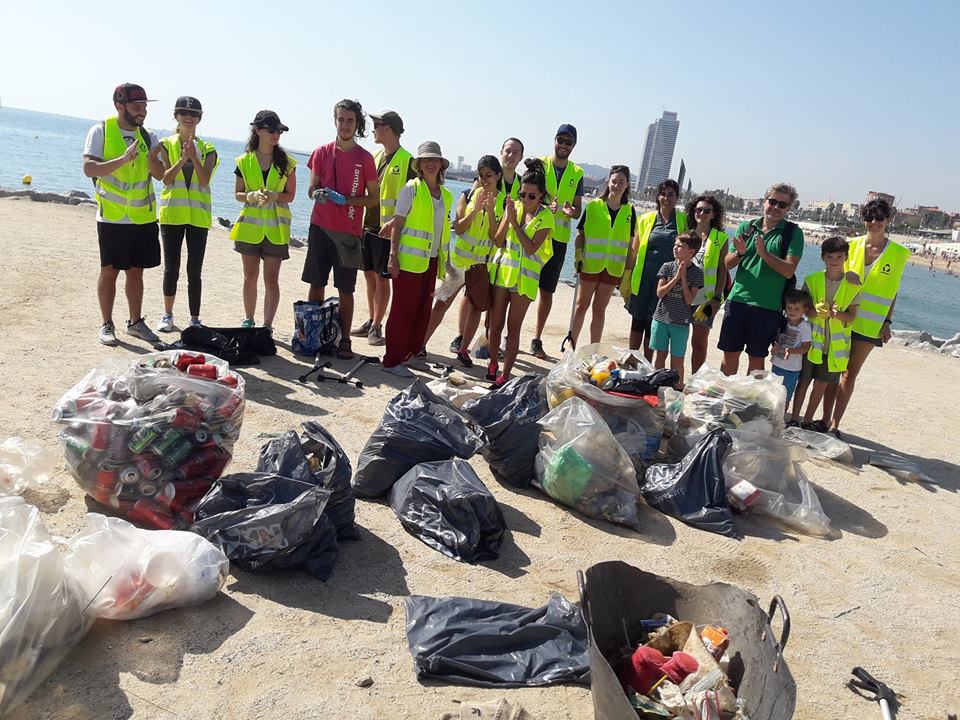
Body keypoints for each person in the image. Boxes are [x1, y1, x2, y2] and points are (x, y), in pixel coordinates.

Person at [82, 83, 165, 346]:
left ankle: (136, 323)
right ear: (119, 105)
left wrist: (152, 159)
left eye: (144, 107)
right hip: (112, 217)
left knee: (136, 273)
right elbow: (89, 168)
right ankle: (107, 324)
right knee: (109, 272)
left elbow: (160, 175)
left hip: (142, 217)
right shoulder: (101, 130)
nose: (142, 111)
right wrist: (122, 160)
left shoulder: (149, 136)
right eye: (136, 106)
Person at [823, 199, 909, 437]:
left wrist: (887, 322)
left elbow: (893, 291)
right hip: (842, 318)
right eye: (869, 217)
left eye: (879, 217)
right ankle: (823, 419)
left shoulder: (898, 254)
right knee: (833, 370)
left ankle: (835, 425)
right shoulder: (850, 246)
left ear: (888, 220)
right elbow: (833, 274)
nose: (874, 222)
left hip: (870, 325)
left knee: (850, 373)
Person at [303, 99, 379, 360]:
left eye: (350, 120)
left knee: (346, 289)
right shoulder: (321, 152)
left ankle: (345, 340)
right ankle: (313, 336)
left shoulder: (365, 158)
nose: (345, 125)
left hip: (348, 233)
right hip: (320, 227)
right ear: (334, 120)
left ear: (357, 124)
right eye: (341, 119)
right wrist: (318, 194)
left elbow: (373, 199)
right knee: (316, 283)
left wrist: (345, 199)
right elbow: (310, 189)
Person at [382, 142, 453, 378]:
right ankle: (392, 360)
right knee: (402, 311)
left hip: (431, 262)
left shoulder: (446, 195)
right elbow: (398, 224)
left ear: (441, 164)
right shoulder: (410, 189)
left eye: (434, 159)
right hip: (408, 261)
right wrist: (393, 256)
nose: (430, 163)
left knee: (422, 312)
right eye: (426, 160)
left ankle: (410, 354)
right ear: (419, 165)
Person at [424, 155, 504, 367]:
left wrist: (490, 211)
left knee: (475, 309)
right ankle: (420, 344)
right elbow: (458, 228)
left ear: (498, 175)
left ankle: (463, 350)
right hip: (458, 263)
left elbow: (497, 238)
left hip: (481, 266)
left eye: (489, 175)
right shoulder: (467, 195)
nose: (484, 180)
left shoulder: (504, 203)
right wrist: (475, 210)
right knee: (441, 304)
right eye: (481, 175)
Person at [717, 182, 803, 375]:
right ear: (764, 202)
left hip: (768, 307)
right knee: (729, 355)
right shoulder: (746, 227)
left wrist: (764, 254)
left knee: (756, 359)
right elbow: (727, 264)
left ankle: (751, 395)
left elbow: (789, 270)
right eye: (772, 201)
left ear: (788, 209)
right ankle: (726, 392)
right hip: (737, 300)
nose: (776, 207)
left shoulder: (793, 233)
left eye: (782, 204)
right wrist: (739, 253)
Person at [449, 137, 524, 356]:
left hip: (502, 251)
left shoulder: (520, 184)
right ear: (501, 152)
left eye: (516, 152)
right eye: (508, 151)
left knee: (490, 301)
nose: (511, 156)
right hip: (476, 253)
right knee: (469, 297)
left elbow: (526, 208)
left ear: (521, 157)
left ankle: (489, 340)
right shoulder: (484, 178)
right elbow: (470, 205)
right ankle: (461, 337)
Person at [487, 160, 554, 387]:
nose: (526, 199)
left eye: (531, 196)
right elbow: (497, 241)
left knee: (513, 329)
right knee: (495, 324)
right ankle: (493, 364)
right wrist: (505, 217)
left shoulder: (546, 217)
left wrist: (515, 224)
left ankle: (505, 375)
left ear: (541, 195)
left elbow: (532, 248)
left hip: (524, 281)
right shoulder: (513, 207)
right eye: (522, 194)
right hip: (503, 274)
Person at [351, 110, 414, 347]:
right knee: (369, 275)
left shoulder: (408, 160)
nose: (373, 130)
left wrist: (396, 224)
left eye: (377, 125)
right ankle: (371, 320)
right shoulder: (375, 156)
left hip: (388, 230)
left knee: (381, 278)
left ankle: (377, 326)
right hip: (368, 226)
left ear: (388, 128)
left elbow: (412, 200)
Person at [230, 110, 297, 331]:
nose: (276, 134)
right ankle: (249, 320)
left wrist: (276, 195)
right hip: (249, 230)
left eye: (279, 131)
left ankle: (267, 326)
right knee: (250, 277)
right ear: (257, 130)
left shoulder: (287, 163)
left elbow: (291, 196)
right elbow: (238, 194)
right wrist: (250, 196)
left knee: (271, 281)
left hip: (276, 230)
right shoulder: (243, 161)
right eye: (271, 130)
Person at [155, 96, 218, 332]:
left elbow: (204, 180)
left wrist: (193, 156)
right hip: (172, 214)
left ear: (199, 118)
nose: (188, 117)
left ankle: (194, 318)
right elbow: (166, 178)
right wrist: (183, 158)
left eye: (193, 114)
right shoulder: (166, 144)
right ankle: (168, 314)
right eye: (183, 113)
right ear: (176, 116)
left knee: (195, 271)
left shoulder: (208, 149)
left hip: (198, 218)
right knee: (171, 268)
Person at [791, 237, 861, 430]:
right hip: (811, 344)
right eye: (830, 256)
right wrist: (816, 312)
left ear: (846, 258)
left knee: (820, 387)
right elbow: (804, 310)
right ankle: (794, 418)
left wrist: (836, 314)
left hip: (834, 349)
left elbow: (851, 317)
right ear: (822, 257)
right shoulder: (812, 280)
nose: (834, 261)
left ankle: (807, 421)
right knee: (803, 383)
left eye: (839, 256)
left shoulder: (852, 285)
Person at [529, 124, 583, 360]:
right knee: (520, 287)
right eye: (560, 140)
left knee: (547, 291)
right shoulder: (540, 164)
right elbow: (525, 196)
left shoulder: (577, 173)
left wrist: (571, 211)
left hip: (558, 240)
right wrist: (542, 206)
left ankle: (536, 338)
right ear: (554, 140)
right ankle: (508, 336)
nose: (563, 145)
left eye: (568, 142)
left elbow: (577, 210)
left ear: (573, 146)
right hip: (534, 234)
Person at [570, 165, 636, 347]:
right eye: (614, 181)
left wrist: (627, 274)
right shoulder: (593, 206)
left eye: (621, 182)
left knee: (599, 310)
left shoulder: (630, 211)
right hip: (590, 265)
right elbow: (580, 235)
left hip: (613, 269)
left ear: (627, 185)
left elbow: (630, 246)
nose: (617, 185)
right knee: (581, 306)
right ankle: (571, 347)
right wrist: (578, 255)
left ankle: (594, 350)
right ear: (608, 182)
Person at [622, 179, 686, 359]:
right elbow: (633, 251)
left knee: (654, 322)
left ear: (677, 198)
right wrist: (626, 277)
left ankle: (647, 362)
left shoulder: (683, 221)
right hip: (643, 277)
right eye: (663, 194)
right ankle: (633, 358)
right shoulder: (645, 219)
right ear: (658, 197)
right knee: (638, 319)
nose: (666, 198)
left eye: (671, 194)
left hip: (666, 280)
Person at [650, 233, 704, 386]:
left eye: (680, 246)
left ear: (691, 252)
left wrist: (684, 278)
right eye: (675, 245)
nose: (675, 248)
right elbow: (660, 293)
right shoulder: (667, 266)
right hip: (661, 318)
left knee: (677, 359)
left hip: (680, 322)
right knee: (660, 355)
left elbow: (689, 300)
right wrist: (675, 278)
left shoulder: (697, 273)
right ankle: (657, 385)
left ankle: (677, 387)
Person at [685, 195, 728, 372]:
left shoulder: (720, 238)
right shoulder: (686, 234)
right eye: (698, 210)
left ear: (713, 214)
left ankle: (696, 379)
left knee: (699, 343)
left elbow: (722, 271)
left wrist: (717, 297)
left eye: (706, 210)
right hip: (683, 294)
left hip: (706, 299)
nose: (701, 213)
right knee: (677, 339)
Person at [771, 289, 813, 415]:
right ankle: (771, 417)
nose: (792, 311)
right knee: (773, 393)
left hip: (791, 368)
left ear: (805, 310)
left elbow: (806, 347)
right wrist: (775, 345)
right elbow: (777, 338)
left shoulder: (804, 327)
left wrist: (791, 351)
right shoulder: (783, 321)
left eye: (796, 309)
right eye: (789, 308)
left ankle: (780, 418)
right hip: (777, 364)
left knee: (785, 396)